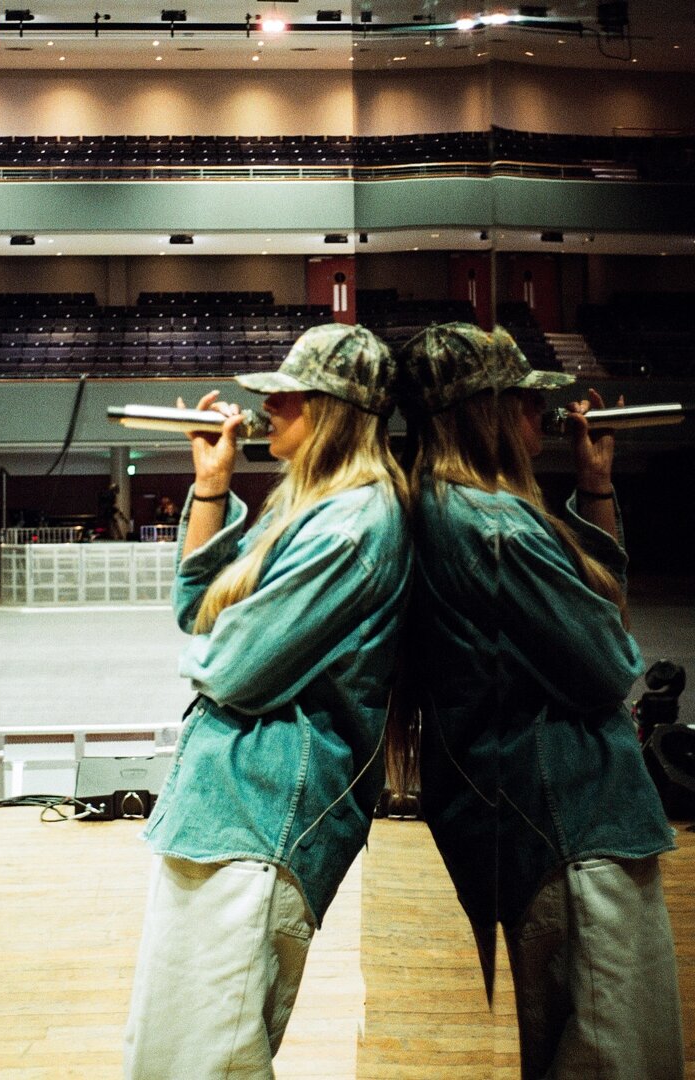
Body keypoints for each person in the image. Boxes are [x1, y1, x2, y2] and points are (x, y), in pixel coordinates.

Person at [389, 322, 684, 1080]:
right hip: (573, 821)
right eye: (523, 400)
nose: (540, 415)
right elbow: (610, 662)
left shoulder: (442, 507)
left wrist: (596, 487)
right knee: (618, 1059)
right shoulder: (495, 525)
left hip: (539, 823)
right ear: (483, 412)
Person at [123, 323, 412, 1079]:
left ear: (334, 410)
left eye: (288, 395)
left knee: (206, 1061)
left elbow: (232, 667)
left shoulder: (353, 525)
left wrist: (210, 656)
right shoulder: (308, 510)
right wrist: (211, 486)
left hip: (260, 822)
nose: (267, 407)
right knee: (172, 1055)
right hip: (225, 815)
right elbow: (197, 612)